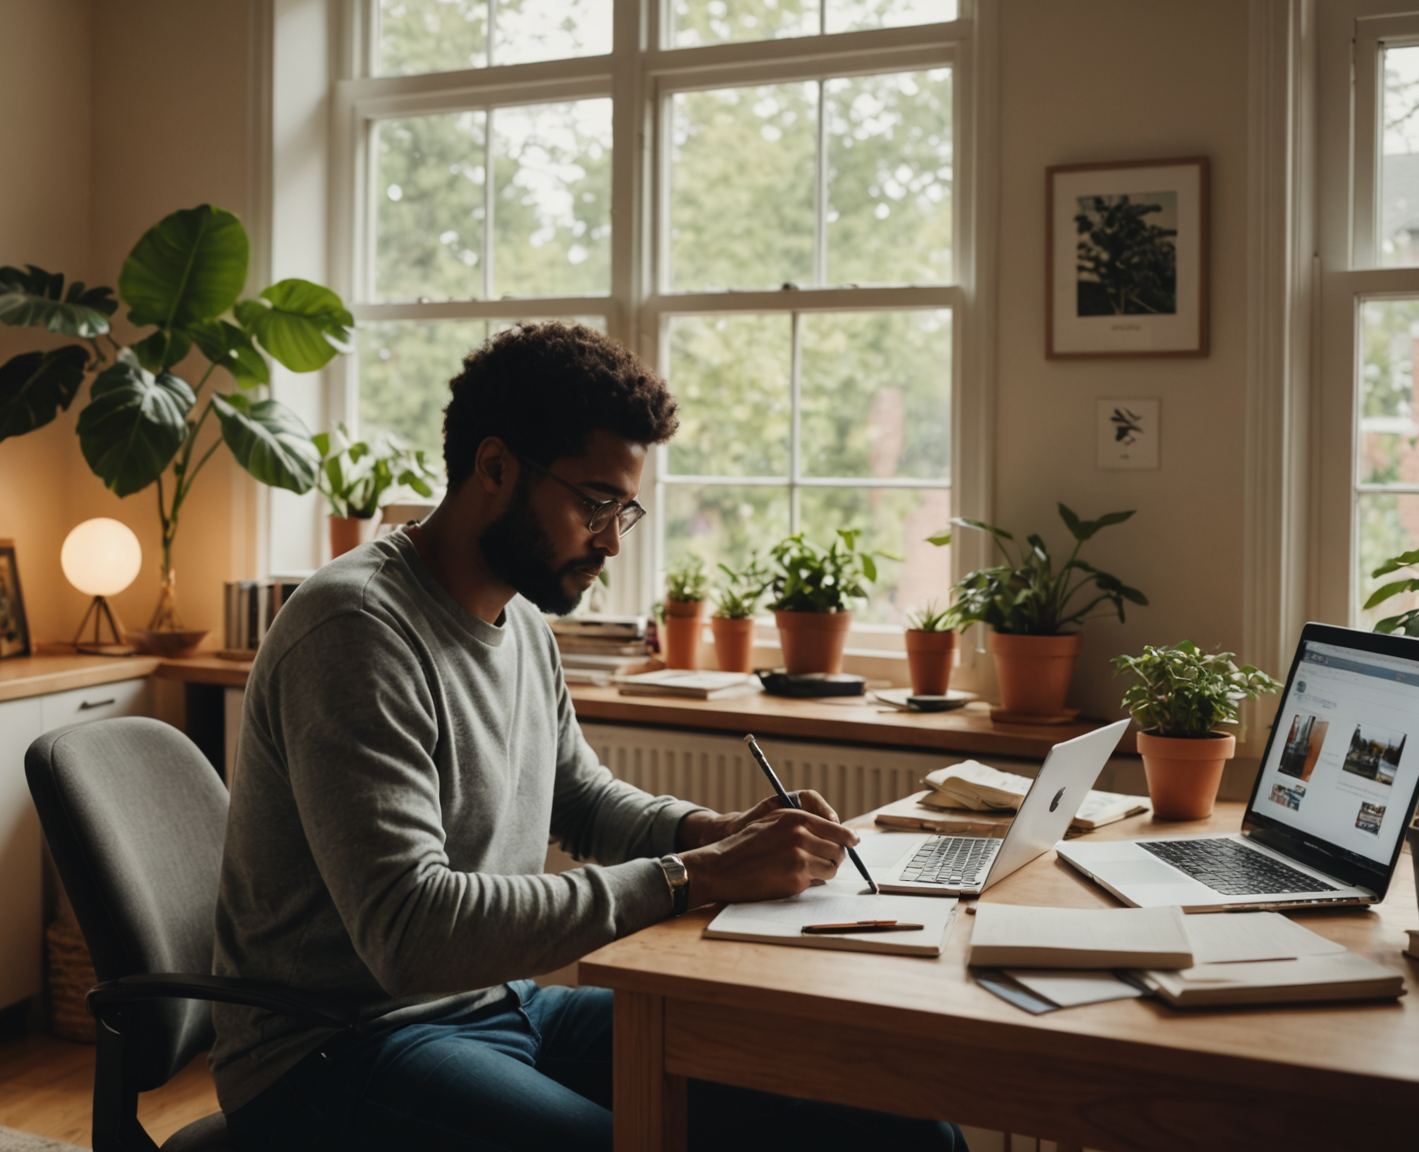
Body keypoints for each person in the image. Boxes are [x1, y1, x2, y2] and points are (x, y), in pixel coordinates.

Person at [211, 322, 964, 1151]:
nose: (609, 540)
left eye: (623, 511)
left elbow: (579, 798)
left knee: (901, 1126)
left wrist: (712, 833)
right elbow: (410, 933)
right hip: (335, 1051)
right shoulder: (356, 629)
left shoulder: (523, 623)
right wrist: (696, 876)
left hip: (499, 1005)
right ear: (495, 467)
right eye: (594, 504)